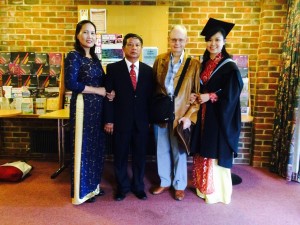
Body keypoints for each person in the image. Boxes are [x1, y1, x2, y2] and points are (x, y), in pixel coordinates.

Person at [190, 18, 244, 204]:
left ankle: (216, 193)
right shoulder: (205, 64)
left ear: (224, 42)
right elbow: (202, 86)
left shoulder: (230, 66)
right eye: (210, 40)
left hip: (219, 117)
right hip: (204, 115)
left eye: (217, 40)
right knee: (202, 150)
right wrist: (197, 96)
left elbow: (232, 94)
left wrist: (210, 96)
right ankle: (203, 189)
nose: (213, 44)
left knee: (214, 151)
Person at [65, 20, 112, 205]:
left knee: (95, 148)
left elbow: (103, 82)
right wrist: (97, 90)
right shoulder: (73, 56)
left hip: (98, 109)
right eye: (85, 32)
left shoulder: (95, 57)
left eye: (93, 33)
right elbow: (72, 84)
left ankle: (93, 187)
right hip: (83, 107)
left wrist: (109, 90)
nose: (90, 36)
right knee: (82, 148)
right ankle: (80, 192)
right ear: (78, 35)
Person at [151, 25, 200, 201]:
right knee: (161, 148)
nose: (177, 43)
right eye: (173, 39)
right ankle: (164, 181)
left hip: (181, 113)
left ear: (186, 41)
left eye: (180, 39)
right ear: (169, 40)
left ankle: (179, 185)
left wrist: (189, 116)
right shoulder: (160, 60)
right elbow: (154, 87)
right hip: (161, 112)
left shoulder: (194, 64)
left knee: (179, 149)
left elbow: (197, 95)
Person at [103, 33, 153, 201]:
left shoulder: (148, 71)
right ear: (123, 48)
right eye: (130, 44)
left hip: (141, 123)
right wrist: (109, 120)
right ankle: (122, 187)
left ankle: (138, 187)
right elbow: (108, 96)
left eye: (137, 45)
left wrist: (150, 121)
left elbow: (150, 98)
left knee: (140, 156)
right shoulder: (113, 69)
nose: (134, 47)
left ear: (141, 48)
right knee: (120, 156)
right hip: (120, 122)